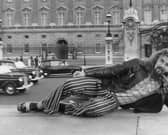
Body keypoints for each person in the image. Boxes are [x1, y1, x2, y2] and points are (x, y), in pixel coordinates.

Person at [17, 48, 168, 117]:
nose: (162, 65)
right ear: (156, 59)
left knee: (91, 110)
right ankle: (41, 105)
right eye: (162, 61)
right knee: (69, 85)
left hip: (113, 100)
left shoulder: (161, 88)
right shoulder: (138, 64)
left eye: (167, 65)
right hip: (104, 85)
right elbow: (113, 70)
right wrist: (86, 72)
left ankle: (57, 106)